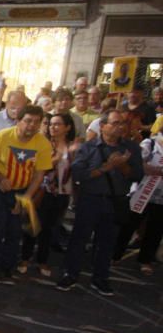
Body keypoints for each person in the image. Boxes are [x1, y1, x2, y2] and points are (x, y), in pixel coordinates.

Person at [58, 109, 144, 295]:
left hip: (115, 201)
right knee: (79, 239)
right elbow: (79, 174)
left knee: (107, 242)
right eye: (115, 123)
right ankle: (70, 273)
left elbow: (138, 175)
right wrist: (106, 168)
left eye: (122, 123)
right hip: (90, 200)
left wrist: (123, 166)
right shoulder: (89, 147)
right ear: (102, 126)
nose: (119, 127)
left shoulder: (131, 148)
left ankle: (100, 278)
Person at [0, 105, 53, 284]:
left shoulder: (43, 143)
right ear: (18, 121)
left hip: (21, 191)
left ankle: (7, 268)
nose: (31, 126)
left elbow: (39, 174)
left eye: (36, 122)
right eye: (27, 121)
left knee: (14, 232)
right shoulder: (1, 137)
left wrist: (26, 197)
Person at [19, 113, 79, 278]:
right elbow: (32, 166)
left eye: (58, 124)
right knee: (32, 226)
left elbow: (76, 172)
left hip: (61, 194)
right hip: (40, 191)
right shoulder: (40, 144)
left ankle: (42, 260)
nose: (53, 127)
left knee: (49, 229)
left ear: (67, 127)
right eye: (51, 124)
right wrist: (53, 160)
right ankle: (25, 258)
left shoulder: (73, 147)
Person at [114, 132, 163, 275]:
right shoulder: (150, 144)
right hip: (142, 193)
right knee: (129, 224)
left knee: (155, 229)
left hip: (161, 198)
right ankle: (115, 254)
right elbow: (138, 164)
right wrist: (157, 170)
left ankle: (145, 260)